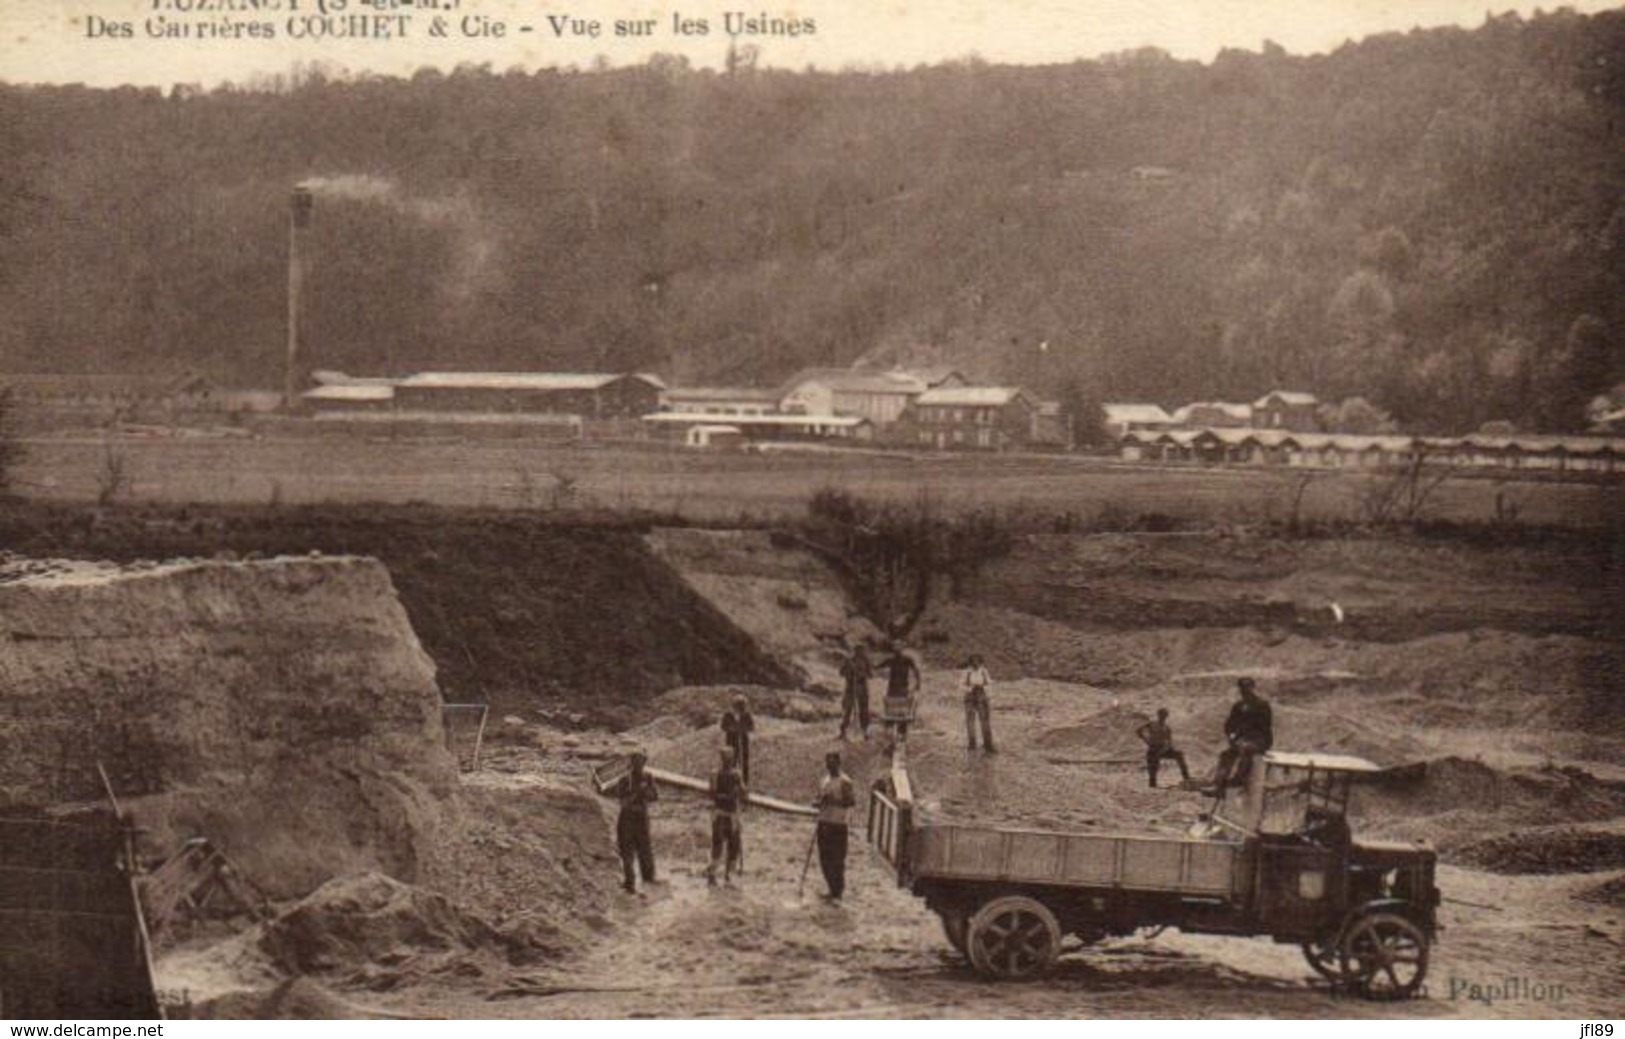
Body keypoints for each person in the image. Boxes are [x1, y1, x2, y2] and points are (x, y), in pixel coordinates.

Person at [611, 750, 659, 893]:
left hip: (641, 817)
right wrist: (638, 792)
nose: (639, 765)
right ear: (632, 763)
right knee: (627, 850)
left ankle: (648, 878)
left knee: (645, 848)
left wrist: (646, 792)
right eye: (636, 762)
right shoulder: (625, 780)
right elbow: (623, 802)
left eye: (641, 762)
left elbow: (654, 796)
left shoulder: (648, 777)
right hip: (627, 817)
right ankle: (629, 882)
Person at [1213, 677, 1273, 791]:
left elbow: (1265, 727)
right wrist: (1231, 735)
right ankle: (1219, 784)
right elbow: (1229, 724)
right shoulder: (1238, 706)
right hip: (1242, 740)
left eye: (1247, 688)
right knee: (1226, 755)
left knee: (1245, 748)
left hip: (1260, 741)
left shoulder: (1262, 705)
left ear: (1252, 688)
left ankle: (1239, 779)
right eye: (1242, 689)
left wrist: (1245, 736)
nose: (1244, 691)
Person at [812, 751, 856, 902]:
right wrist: (818, 802)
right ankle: (831, 888)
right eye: (827, 763)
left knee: (837, 859)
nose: (829, 766)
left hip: (838, 823)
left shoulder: (845, 782)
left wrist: (833, 801)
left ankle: (838, 891)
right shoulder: (824, 781)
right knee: (824, 858)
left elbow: (850, 802)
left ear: (838, 763)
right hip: (823, 821)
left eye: (832, 763)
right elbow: (818, 799)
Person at [705, 747, 746, 886]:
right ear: (721, 759)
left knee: (734, 844)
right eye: (725, 758)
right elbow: (711, 794)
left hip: (733, 814)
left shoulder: (737, 774)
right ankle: (712, 872)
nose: (728, 761)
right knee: (718, 843)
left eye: (730, 759)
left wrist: (740, 789)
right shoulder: (715, 774)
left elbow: (744, 793)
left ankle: (730, 874)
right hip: (720, 813)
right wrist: (727, 796)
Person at [1135, 708, 1190, 788]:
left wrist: (1163, 749)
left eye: (1165, 715)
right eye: (1162, 715)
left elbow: (1169, 742)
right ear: (1158, 715)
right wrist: (1146, 741)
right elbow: (1138, 731)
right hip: (1153, 748)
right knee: (1153, 766)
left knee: (1179, 755)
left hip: (1163, 748)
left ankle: (1186, 777)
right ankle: (1153, 783)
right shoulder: (1152, 724)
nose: (1163, 717)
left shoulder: (1167, 728)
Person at [880, 643, 921, 740]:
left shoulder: (907, 660)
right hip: (892, 689)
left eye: (899, 650)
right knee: (891, 711)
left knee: (902, 712)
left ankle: (901, 734)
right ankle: (889, 734)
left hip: (902, 688)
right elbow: (878, 666)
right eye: (895, 650)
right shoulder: (891, 660)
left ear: (902, 650)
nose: (897, 652)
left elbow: (916, 670)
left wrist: (918, 683)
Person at [962, 653, 995, 753]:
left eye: (978, 661)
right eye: (973, 661)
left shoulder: (984, 672)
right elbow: (961, 685)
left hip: (982, 698)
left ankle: (988, 745)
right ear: (971, 662)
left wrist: (983, 689)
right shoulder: (966, 672)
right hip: (970, 698)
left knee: (985, 722)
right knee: (970, 722)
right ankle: (972, 744)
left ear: (980, 662)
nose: (976, 663)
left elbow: (989, 684)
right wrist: (970, 689)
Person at [838, 644, 873, 741]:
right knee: (847, 710)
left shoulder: (866, 661)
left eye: (862, 650)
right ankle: (843, 731)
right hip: (850, 688)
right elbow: (841, 672)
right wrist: (848, 670)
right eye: (858, 650)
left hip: (862, 687)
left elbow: (870, 674)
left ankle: (866, 732)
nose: (860, 652)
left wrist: (860, 674)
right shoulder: (849, 661)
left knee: (864, 710)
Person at [720, 695, 756, 784]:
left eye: (742, 706)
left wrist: (742, 729)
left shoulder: (746, 715)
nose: (740, 708)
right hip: (731, 741)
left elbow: (751, 727)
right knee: (731, 762)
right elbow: (723, 726)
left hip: (743, 742)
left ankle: (744, 783)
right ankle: (731, 782)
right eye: (738, 705)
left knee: (744, 763)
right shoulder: (728, 715)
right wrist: (732, 729)